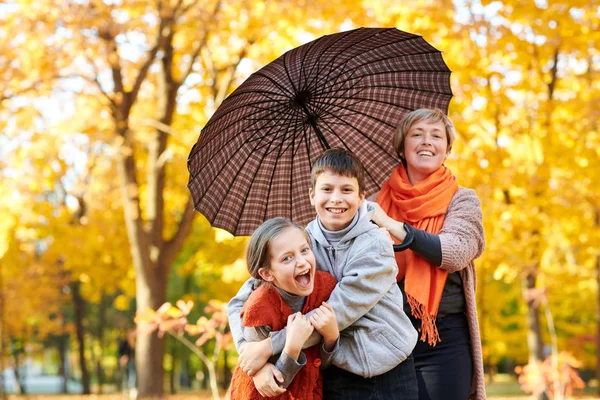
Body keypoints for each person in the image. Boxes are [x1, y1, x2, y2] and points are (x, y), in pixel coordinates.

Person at [228, 148, 418, 400]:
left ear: (362, 197)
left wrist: (269, 346)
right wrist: (253, 359)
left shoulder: (375, 245)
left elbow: (336, 313)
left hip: (389, 368)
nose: (336, 199)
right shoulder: (300, 243)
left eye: (346, 190)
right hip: (334, 369)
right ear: (312, 195)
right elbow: (240, 303)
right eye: (327, 189)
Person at [368, 108, 486, 400]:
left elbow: (456, 251)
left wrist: (397, 230)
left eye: (436, 136)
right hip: (386, 334)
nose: (426, 142)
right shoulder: (372, 203)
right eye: (416, 134)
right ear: (401, 146)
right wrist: (374, 242)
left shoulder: (463, 199)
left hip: (442, 338)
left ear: (447, 149)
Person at [229, 217, 339, 400]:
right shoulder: (258, 310)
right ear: (267, 274)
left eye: (305, 250)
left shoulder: (325, 288)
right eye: (287, 258)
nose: (302, 262)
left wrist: (331, 338)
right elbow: (272, 387)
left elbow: (321, 363)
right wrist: (292, 347)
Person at [118, 327, 137, 399]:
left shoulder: (135, 343)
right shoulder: (124, 342)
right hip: (126, 361)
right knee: (126, 375)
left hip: (132, 362)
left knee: (132, 375)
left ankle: (132, 389)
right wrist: (122, 358)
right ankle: (126, 390)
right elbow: (120, 352)